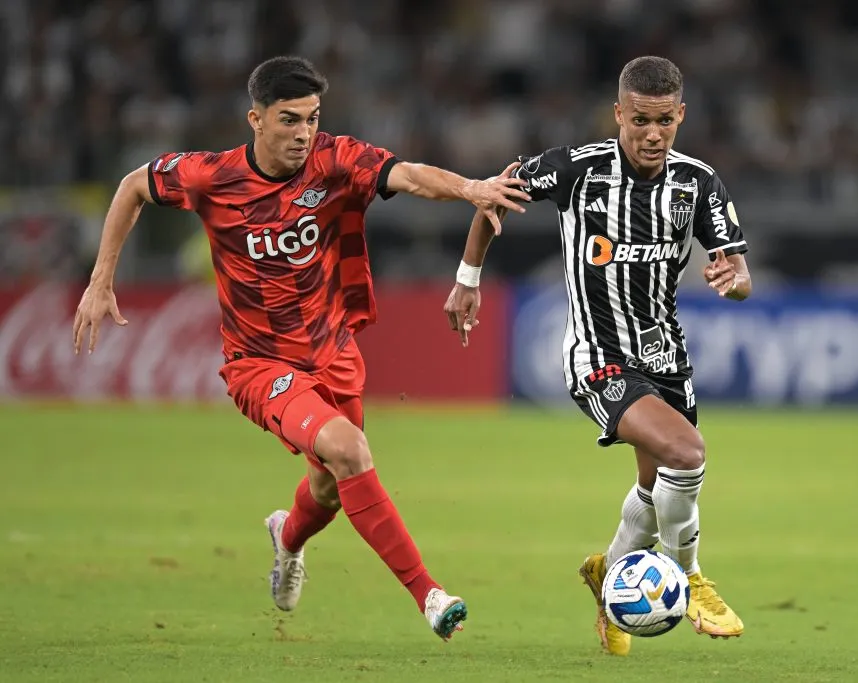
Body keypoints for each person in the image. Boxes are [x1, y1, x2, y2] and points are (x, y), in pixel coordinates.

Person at [72, 55, 530, 641]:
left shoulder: (333, 159)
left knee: (328, 490)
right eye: (289, 120)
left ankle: (287, 539)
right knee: (350, 451)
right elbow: (134, 185)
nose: (303, 133)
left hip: (333, 354)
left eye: (312, 119)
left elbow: (407, 174)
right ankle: (430, 595)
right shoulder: (212, 176)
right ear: (255, 119)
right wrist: (100, 278)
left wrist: (471, 188)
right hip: (259, 366)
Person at [444, 56, 750, 655]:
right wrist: (467, 279)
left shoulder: (698, 182)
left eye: (664, 121)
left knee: (653, 487)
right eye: (640, 120)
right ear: (618, 114)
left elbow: (739, 274)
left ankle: (608, 575)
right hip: (597, 358)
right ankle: (690, 580)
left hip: (667, 359)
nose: (653, 134)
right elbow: (492, 201)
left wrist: (730, 277)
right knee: (686, 454)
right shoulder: (575, 171)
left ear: (681, 115)